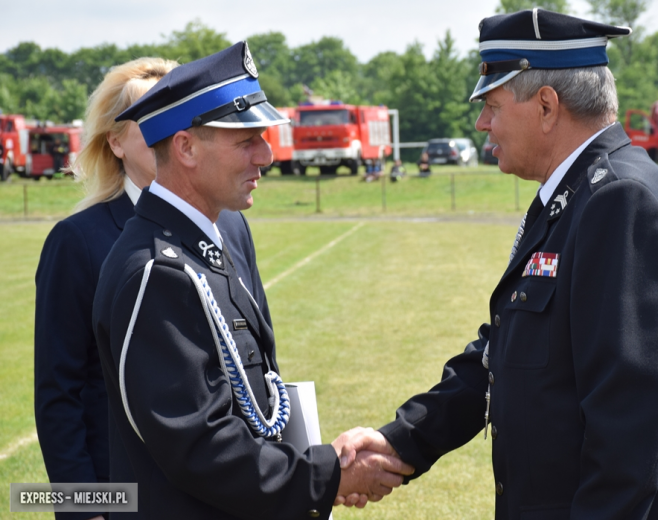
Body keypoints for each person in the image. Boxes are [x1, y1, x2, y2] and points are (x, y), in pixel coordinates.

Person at [345, 9, 658, 519]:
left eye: (492, 105)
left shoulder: (619, 203)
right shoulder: (572, 196)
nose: (482, 122)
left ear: (547, 106)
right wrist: (400, 441)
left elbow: (626, 432)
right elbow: (502, 352)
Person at [93, 42, 412, 519]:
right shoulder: (156, 271)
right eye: (246, 141)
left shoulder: (207, 241)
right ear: (185, 148)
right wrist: (326, 475)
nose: (266, 155)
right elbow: (200, 448)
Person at [34, 56, 177, 520]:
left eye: (177, 116)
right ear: (115, 142)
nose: (167, 131)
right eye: (150, 120)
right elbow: (59, 390)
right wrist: (83, 510)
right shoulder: (75, 241)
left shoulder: (227, 226)